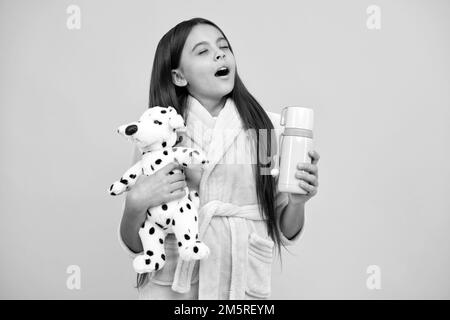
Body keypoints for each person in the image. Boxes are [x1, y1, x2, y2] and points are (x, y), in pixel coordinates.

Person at [118, 17, 320, 300]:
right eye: (202, 51)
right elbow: (135, 245)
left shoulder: (265, 129)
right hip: (175, 290)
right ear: (178, 76)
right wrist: (135, 202)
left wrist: (297, 203)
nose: (219, 53)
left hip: (240, 287)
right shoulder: (158, 134)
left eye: (223, 46)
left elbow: (284, 228)